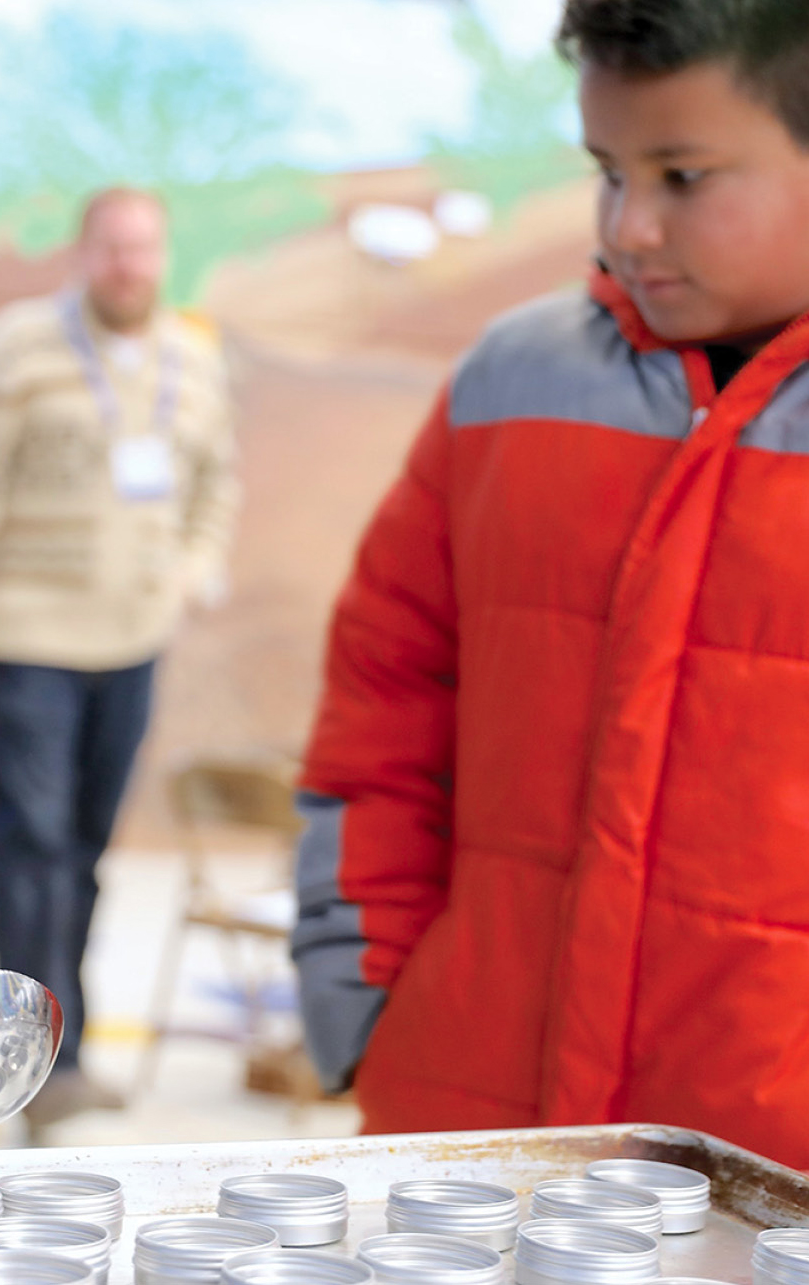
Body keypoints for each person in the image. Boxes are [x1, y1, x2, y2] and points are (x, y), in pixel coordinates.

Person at [292, 0, 809, 1169]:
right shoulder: (508, 379)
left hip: (769, 1172)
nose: (628, 226)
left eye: (680, 175)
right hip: (467, 1130)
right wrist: (360, 1004)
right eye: (605, 170)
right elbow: (381, 711)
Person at [0, 187, 238, 1128]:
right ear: (84, 252)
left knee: (89, 853)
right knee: (33, 849)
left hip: (132, 639)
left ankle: (72, 1043)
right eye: (112, 249)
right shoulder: (18, 347)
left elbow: (217, 481)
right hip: (30, 635)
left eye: (144, 250)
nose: (128, 267)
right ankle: (36, 1069)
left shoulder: (194, 356)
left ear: (163, 256)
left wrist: (191, 571)